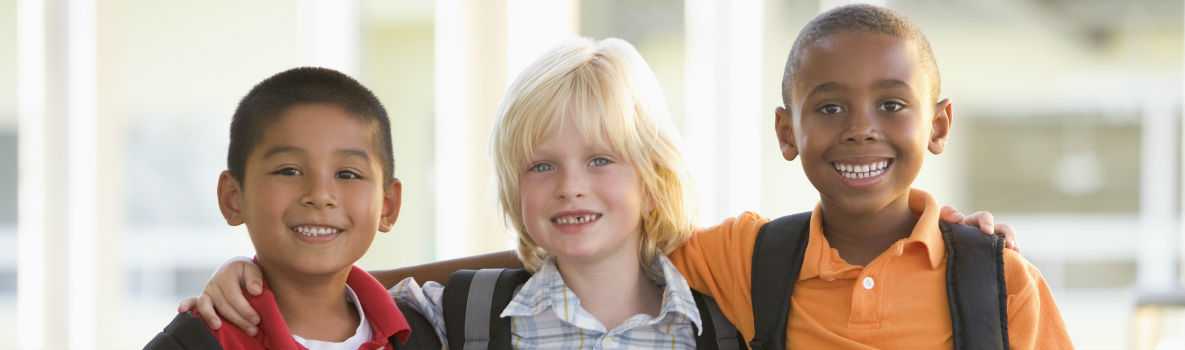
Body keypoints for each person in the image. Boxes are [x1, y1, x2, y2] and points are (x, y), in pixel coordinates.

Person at [665, 4, 1072, 349]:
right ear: (787, 133)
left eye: (892, 105)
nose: (861, 128)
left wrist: (976, 258)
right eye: (829, 108)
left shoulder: (1001, 283)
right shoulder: (745, 257)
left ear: (939, 126)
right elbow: (622, 240)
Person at [144, 67, 438, 349]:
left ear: (387, 205)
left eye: (348, 174)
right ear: (233, 197)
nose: (320, 195)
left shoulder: (426, 331)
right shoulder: (194, 342)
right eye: (288, 171)